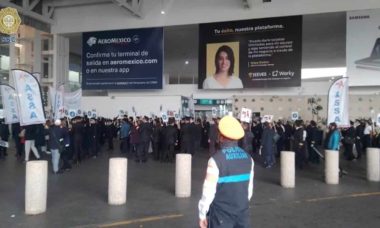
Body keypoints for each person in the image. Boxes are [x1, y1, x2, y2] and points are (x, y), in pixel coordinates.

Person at [198, 115, 254, 228]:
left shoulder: (215, 160)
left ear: (221, 136)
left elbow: (208, 192)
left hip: (221, 216)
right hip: (243, 214)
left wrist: (202, 214)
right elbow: (249, 190)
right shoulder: (249, 159)